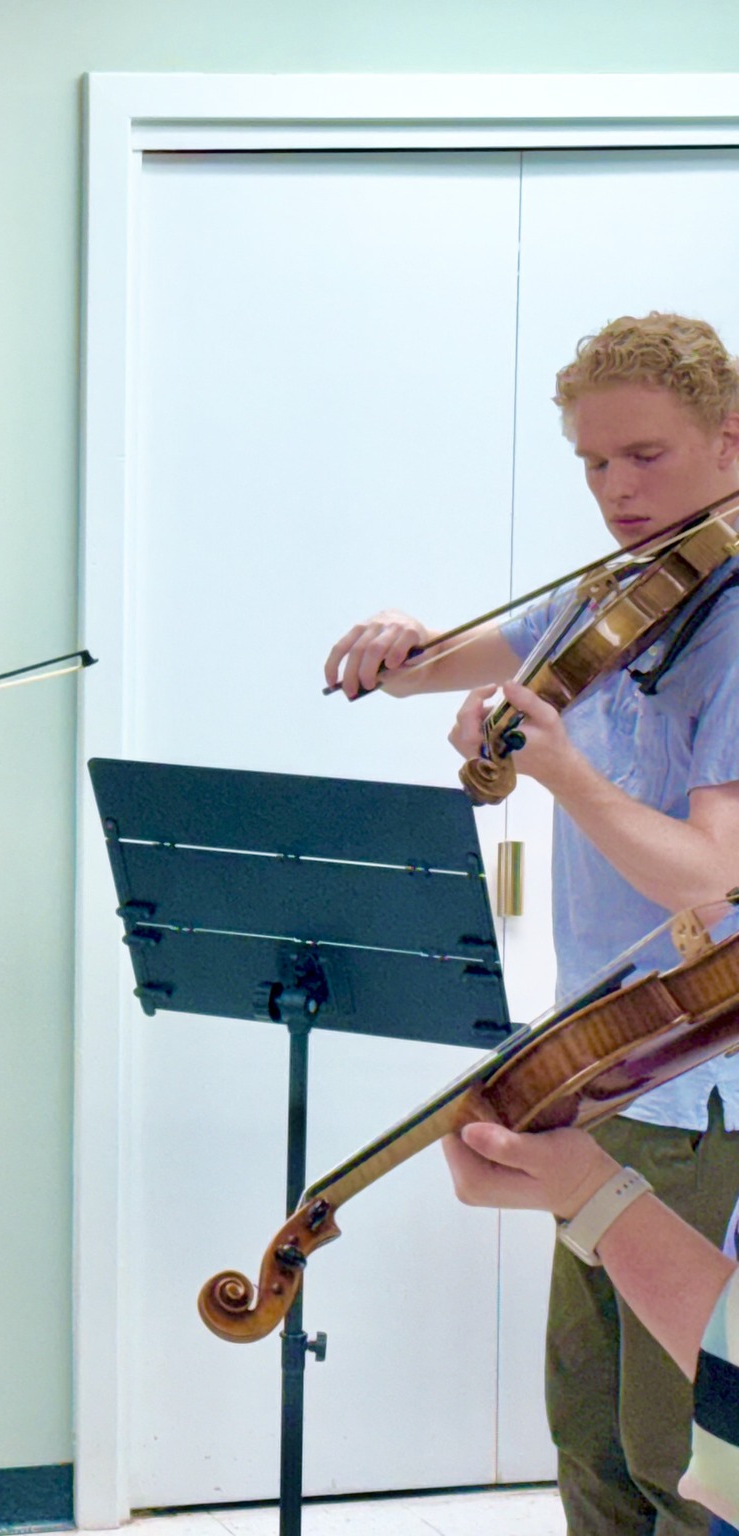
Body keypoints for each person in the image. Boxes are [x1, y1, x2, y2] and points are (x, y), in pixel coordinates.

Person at [326, 312, 739, 1536]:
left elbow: (708, 878)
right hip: (591, 1061)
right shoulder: (611, 592)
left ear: (729, 442)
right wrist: (393, 645)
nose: (615, 489)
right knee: (588, 1434)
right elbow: (444, 662)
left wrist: (560, 772)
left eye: (644, 456)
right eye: (592, 463)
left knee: (678, 1455)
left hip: (691, 1076)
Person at [444, 1121, 739, 1531]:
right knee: (587, 1432)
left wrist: (592, 1191)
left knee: (674, 1453)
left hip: (688, 1118)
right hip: (607, 1115)